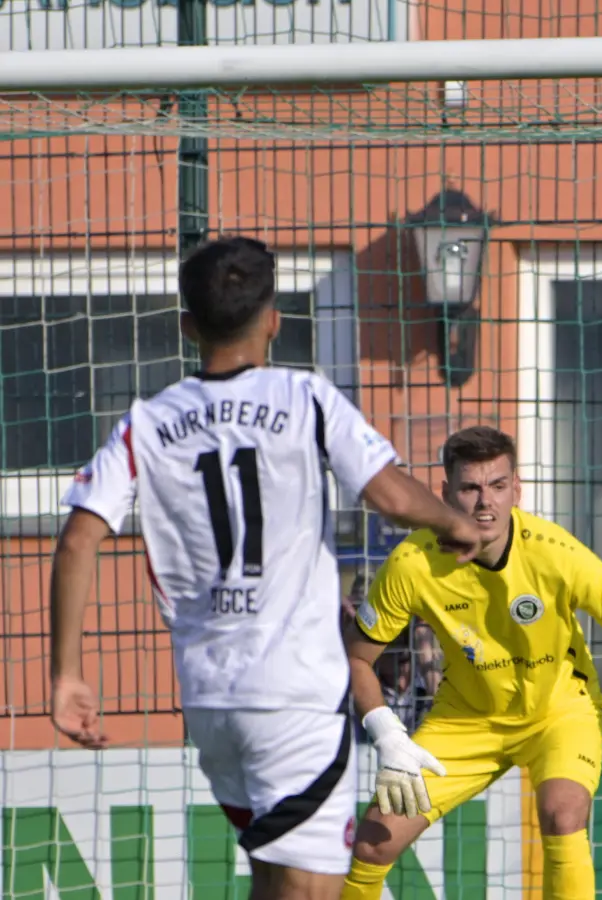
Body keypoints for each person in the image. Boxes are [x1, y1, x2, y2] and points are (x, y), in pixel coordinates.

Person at [48, 236, 482, 900]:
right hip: (293, 694)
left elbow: (79, 538)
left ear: (188, 325)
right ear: (274, 317)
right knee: (310, 890)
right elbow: (392, 496)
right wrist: (454, 523)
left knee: (278, 879)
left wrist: (67, 673)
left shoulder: (146, 421)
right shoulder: (304, 398)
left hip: (212, 700)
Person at [341, 425, 602, 900]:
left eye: (498, 486)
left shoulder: (556, 552)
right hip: (467, 717)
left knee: (563, 815)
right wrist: (387, 733)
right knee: (374, 843)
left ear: (516, 488)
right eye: (471, 488)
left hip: (559, 711)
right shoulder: (411, 563)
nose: (485, 502)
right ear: (445, 492)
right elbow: (358, 658)